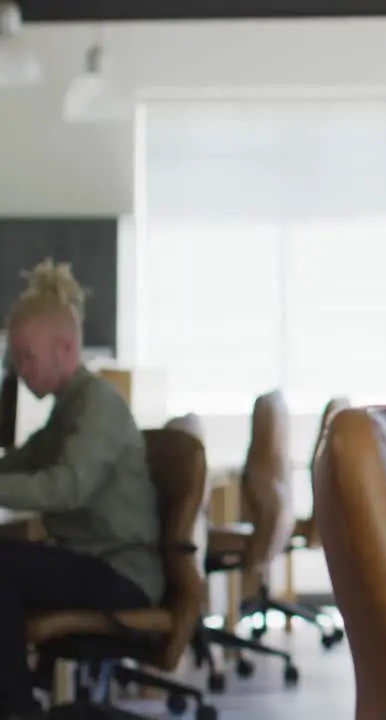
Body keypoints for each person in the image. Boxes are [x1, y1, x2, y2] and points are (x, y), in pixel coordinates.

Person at [0, 260, 162, 718]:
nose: (20, 369)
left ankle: (16, 708)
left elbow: (65, 488)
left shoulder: (97, 406)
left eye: (27, 356)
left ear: (65, 347)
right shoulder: (65, 410)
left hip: (121, 574)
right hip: (92, 562)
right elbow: (21, 463)